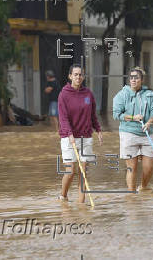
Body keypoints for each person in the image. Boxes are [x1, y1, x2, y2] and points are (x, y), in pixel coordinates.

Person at [57, 65, 103, 202]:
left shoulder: (88, 94)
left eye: (80, 75)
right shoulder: (63, 94)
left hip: (86, 137)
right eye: (75, 74)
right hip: (68, 137)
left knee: (83, 172)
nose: (78, 77)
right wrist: (69, 133)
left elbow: (92, 115)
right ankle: (63, 196)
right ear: (70, 76)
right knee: (70, 171)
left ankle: (81, 204)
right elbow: (63, 118)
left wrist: (98, 129)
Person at [113, 67, 153, 192]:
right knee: (132, 167)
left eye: (136, 77)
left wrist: (149, 122)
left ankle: (143, 187)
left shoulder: (149, 94)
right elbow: (116, 115)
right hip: (128, 133)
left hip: (146, 134)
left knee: (148, 168)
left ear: (142, 80)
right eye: (131, 77)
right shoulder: (122, 95)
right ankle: (131, 195)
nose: (133, 80)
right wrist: (133, 117)